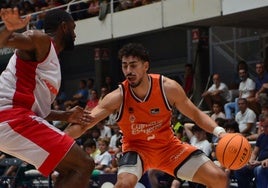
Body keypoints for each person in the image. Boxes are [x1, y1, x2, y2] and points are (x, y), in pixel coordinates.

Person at [65, 43, 228, 188]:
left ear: (145, 66)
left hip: (168, 148)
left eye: (133, 65)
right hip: (136, 149)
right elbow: (86, 123)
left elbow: (196, 114)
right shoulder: (118, 96)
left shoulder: (167, 88)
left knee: (219, 179)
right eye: (125, 66)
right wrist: (56, 141)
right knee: (123, 184)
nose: (128, 71)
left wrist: (220, 132)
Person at [0, 8, 94, 188]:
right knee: (84, 164)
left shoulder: (51, 62)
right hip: (10, 117)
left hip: (16, 118)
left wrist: (66, 115)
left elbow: (37, 110)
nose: (75, 34)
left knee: (71, 169)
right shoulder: (41, 41)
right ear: (64, 27)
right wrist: (9, 28)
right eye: (73, 28)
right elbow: (3, 41)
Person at [234, 112, 268, 188]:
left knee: (260, 170)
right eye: (262, 126)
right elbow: (255, 152)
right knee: (239, 169)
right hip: (259, 163)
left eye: (266, 126)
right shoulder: (261, 136)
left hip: (264, 165)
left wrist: (259, 162)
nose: (263, 129)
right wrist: (251, 161)